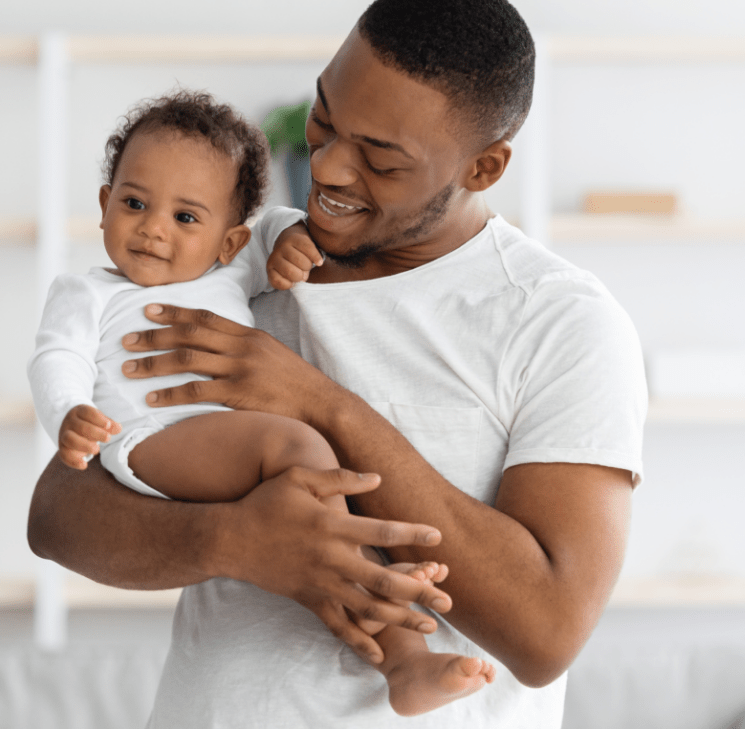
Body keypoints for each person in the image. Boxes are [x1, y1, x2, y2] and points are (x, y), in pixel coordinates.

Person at [28, 0, 647, 728]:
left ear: (482, 168)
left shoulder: (559, 323)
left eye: (381, 160)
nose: (326, 169)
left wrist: (318, 403)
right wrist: (232, 540)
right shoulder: (233, 258)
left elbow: (548, 633)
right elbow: (59, 512)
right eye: (324, 121)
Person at [27, 89, 495, 716]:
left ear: (228, 241)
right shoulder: (86, 292)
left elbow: (280, 233)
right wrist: (67, 414)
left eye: (186, 218)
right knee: (297, 447)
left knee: (308, 509)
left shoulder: (229, 270)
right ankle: (398, 632)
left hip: (217, 445)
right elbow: (56, 357)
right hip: (147, 441)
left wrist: (289, 244)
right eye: (135, 204)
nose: (155, 229)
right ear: (106, 205)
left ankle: (404, 657)